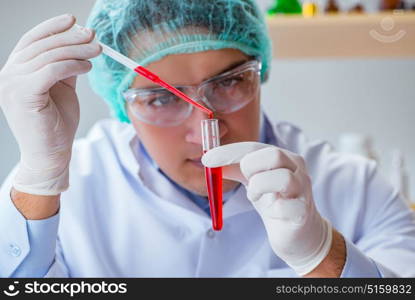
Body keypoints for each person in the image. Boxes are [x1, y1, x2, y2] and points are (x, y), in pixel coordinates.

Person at [0, 0, 414, 278]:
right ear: (122, 103)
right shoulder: (63, 191)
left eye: (230, 81)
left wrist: (321, 253)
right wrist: (39, 176)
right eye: (161, 97)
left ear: (260, 71)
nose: (205, 129)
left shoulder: (356, 187)